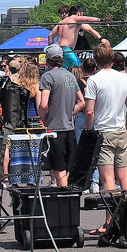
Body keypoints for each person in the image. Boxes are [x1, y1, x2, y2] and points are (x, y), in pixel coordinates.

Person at [84, 41, 127, 194]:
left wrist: (88, 130)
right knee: (124, 178)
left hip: (103, 132)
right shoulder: (125, 78)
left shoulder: (94, 80)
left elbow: (89, 111)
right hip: (120, 130)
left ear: (96, 60)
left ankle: (110, 218)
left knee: (108, 180)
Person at [38, 45, 85, 187]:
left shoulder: (47, 76)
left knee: (58, 166)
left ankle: (64, 193)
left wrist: (44, 119)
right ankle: (66, 191)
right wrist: (69, 112)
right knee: (67, 164)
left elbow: (44, 104)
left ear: (48, 60)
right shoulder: (71, 76)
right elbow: (82, 102)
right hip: (69, 127)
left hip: (54, 128)